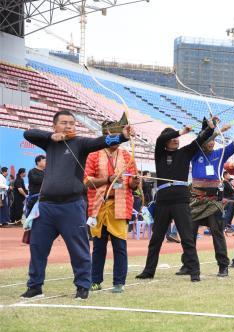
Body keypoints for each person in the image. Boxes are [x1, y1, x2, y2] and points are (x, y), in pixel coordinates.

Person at [20, 110, 133, 299]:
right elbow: (28, 134)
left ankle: (82, 286)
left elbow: (102, 141)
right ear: (54, 125)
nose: (68, 126)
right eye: (63, 123)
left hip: (71, 206)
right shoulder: (49, 142)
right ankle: (35, 286)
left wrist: (122, 137)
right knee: (37, 247)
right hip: (46, 206)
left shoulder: (80, 143)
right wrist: (51, 136)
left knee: (78, 249)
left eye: (72, 123)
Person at [136, 118, 215, 282]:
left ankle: (194, 272)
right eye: (172, 139)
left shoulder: (185, 152)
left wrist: (210, 128)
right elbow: (160, 139)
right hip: (163, 201)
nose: (175, 140)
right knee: (156, 238)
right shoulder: (159, 153)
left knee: (187, 237)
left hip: (180, 199)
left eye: (176, 139)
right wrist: (180, 131)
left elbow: (200, 139)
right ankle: (148, 271)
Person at [177, 114, 234, 278]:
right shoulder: (194, 153)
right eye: (208, 139)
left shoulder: (220, 154)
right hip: (195, 200)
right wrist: (214, 129)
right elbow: (200, 141)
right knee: (189, 235)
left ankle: (223, 266)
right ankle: (187, 264)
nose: (211, 142)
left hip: (213, 202)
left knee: (217, 234)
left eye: (213, 140)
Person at [85, 120, 140, 293]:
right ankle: (95, 281)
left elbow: (132, 183)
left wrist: (135, 182)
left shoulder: (126, 156)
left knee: (120, 246)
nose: (117, 141)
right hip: (99, 206)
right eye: (114, 136)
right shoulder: (93, 155)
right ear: (106, 136)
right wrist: (107, 179)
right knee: (99, 247)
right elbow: (87, 181)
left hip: (120, 205)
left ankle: (119, 282)